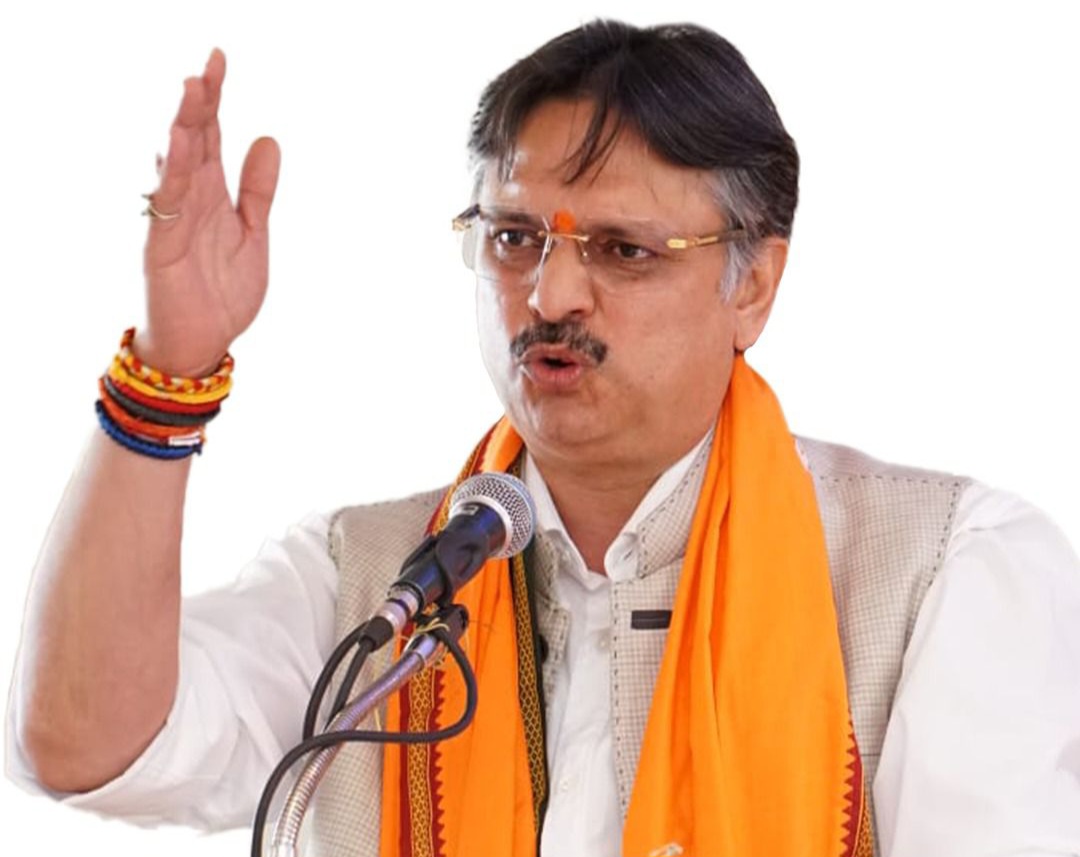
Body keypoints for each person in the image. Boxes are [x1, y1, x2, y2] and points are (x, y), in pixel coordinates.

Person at [7, 18, 1080, 857]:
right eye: (515, 237)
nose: (551, 293)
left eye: (623, 249)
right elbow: (82, 742)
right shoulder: (374, 587)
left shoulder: (938, 573)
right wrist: (170, 370)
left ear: (753, 283)